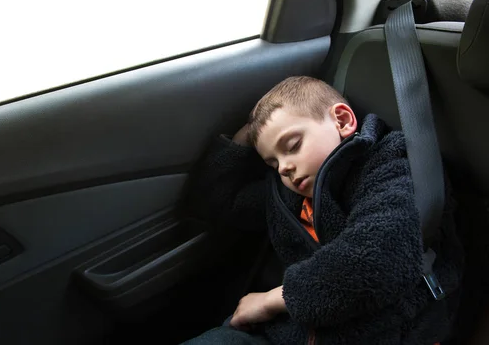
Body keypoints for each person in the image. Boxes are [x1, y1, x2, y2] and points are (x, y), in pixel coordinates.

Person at [184, 76, 463, 344]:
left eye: (292, 146)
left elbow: (377, 259)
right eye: (272, 163)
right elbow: (221, 203)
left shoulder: (390, 165)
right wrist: (244, 137)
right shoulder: (285, 193)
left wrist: (273, 300)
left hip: (384, 331)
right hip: (292, 332)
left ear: (341, 120)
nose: (283, 167)